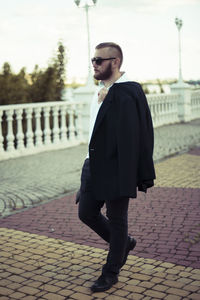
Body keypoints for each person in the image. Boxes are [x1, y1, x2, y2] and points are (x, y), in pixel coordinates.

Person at [76, 42, 156, 293]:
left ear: (116, 62)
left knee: (117, 219)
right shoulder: (99, 91)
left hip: (118, 167)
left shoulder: (129, 92)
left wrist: (132, 174)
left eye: (99, 60)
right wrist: (84, 172)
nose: (94, 64)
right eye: (93, 60)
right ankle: (124, 244)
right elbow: (94, 134)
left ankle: (110, 273)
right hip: (92, 163)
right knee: (86, 213)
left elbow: (138, 136)